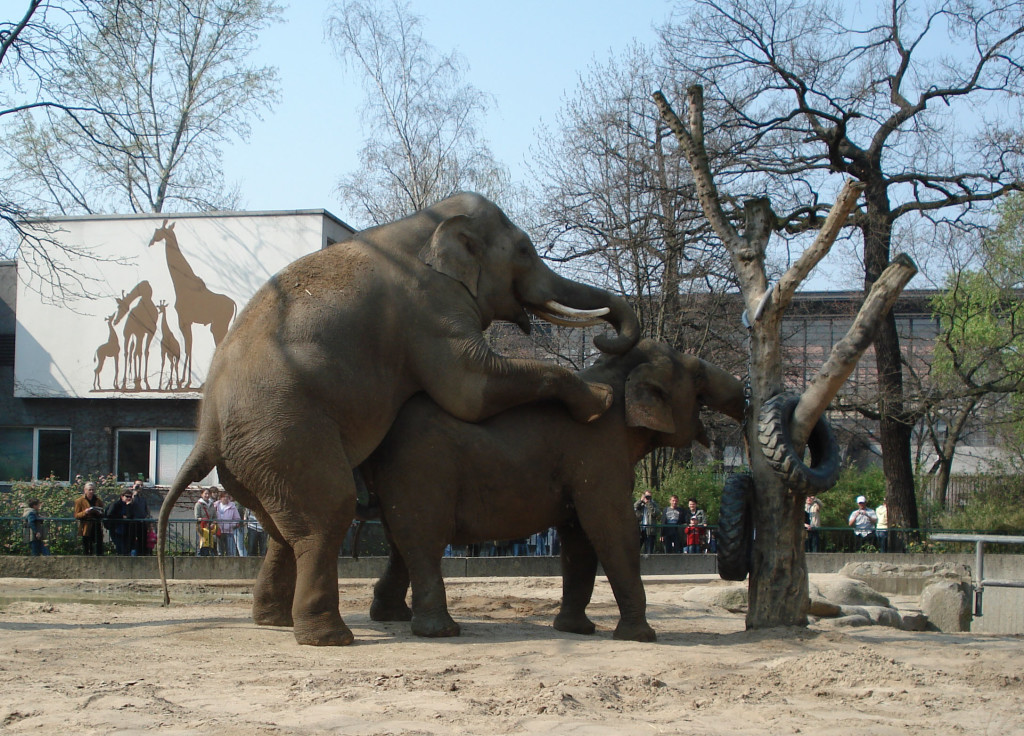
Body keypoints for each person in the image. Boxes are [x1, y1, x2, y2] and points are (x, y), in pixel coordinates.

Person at [73, 481, 105, 555]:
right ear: (85, 490)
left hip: (96, 524)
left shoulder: (98, 500)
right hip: (86, 525)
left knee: (99, 544)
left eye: (93, 490)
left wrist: (99, 512)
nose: (91, 491)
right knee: (87, 545)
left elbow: (102, 511)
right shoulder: (80, 501)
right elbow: (76, 515)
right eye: (89, 490)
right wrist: (85, 512)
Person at [104, 490, 132, 555]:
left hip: (125, 530)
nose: (129, 498)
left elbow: (130, 516)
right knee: (120, 547)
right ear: (122, 496)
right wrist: (121, 517)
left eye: (130, 497)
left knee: (126, 549)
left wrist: (128, 506)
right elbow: (109, 514)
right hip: (116, 529)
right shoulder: (115, 504)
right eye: (127, 496)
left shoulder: (129, 505)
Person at [127, 481, 150, 556]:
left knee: (143, 540)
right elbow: (129, 504)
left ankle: (142, 554)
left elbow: (146, 510)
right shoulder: (130, 496)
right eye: (138, 485)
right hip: (133, 522)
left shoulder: (143, 498)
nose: (139, 487)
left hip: (142, 522)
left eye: (141, 485)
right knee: (132, 541)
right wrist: (134, 493)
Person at [215, 490, 241, 556]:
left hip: (229, 531)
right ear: (220, 498)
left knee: (230, 551)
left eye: (227, 497)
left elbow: (237, 518)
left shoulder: (232, 507)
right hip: (218, 531)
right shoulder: (215, 506)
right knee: (219, 551)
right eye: (224, 497)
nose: (226, 498)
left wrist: (231, 525)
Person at [634, 491, 659, 555]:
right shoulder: (641, 505)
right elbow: (634, 507)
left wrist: (649, 504)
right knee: (635, 550)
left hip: (650, 530)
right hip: (640, 529)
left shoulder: (654, 504)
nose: (648, 498)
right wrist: (641, 500)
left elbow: (655, 513)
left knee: (649, 552)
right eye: (646, 496)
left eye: (649, 496)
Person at [194, 487, 216, 556]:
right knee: (201, 544)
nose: (207, 495)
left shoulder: (212, 504)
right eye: (205, 494)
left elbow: (215, 516)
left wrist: (213, 523)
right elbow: (197, 517)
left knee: (210, 544)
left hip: (210, 528)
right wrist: (204, 520)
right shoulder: (198, 504)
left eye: (208, 494)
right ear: (202, 494)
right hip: (201, 528)